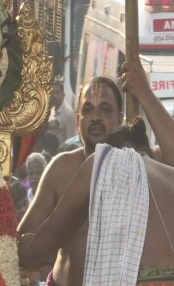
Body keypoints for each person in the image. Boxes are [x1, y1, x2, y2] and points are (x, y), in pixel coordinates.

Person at [19, 119, 174, 283]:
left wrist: (26, 252)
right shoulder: (170, 176)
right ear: (148, 152)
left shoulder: (102, 162)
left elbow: (53, 231)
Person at [18, 76, 124, 285]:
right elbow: (22, 244)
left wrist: (144, 94)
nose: (95, 118)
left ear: (120, 119)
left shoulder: (137, 168)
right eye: (87, 110)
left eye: (105, 109)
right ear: (77, 121)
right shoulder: (60, 169)